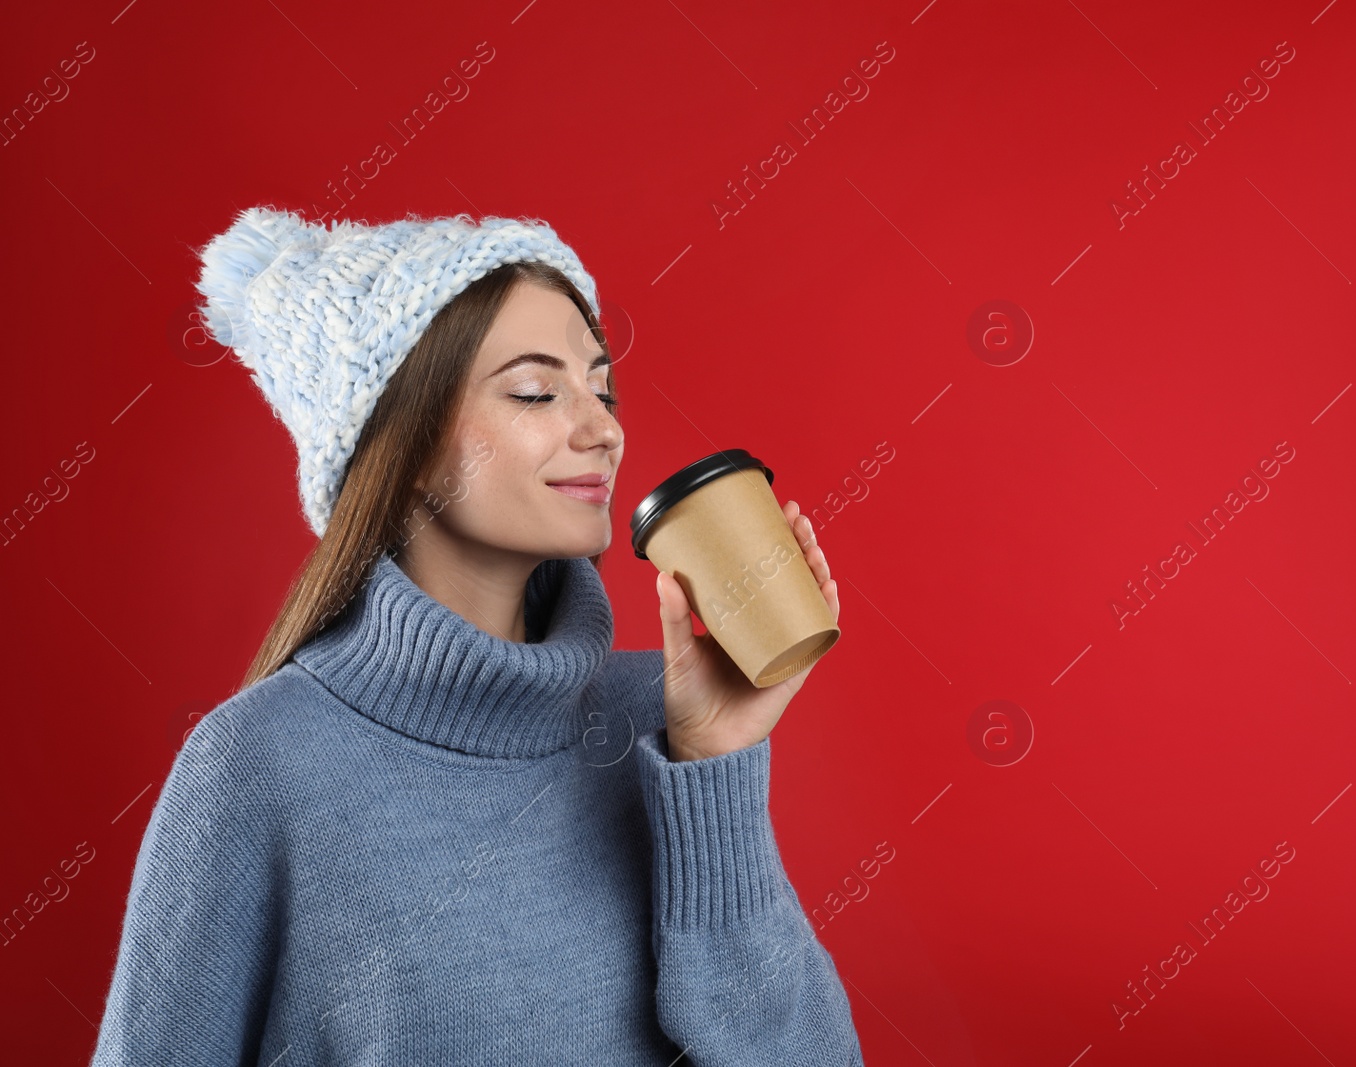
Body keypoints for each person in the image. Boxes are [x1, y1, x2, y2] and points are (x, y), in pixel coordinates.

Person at [89, 206, 863, 1065]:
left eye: (601, 387)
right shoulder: (256, 768)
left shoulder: (665, 718)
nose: (602, 426)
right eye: (537, 391)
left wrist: (717, 763)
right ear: (406, 444)